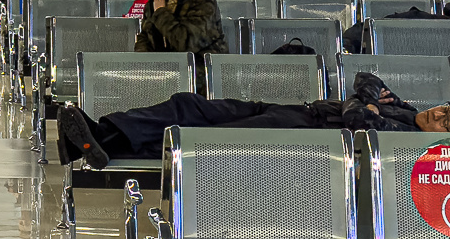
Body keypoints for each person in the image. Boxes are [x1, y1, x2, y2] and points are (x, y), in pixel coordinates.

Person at [58, 72, 450, 169]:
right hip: (293, 111)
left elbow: (357, 120)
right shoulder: (407, 111)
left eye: (445, 123)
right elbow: (365, 80)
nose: (438, 114)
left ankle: (102, 144)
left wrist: (365, 107)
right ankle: (99, 134)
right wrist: (367, 102)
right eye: (446, 109)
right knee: (189, 105)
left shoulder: (407, 138)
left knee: (202, 138)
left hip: (302, 135)